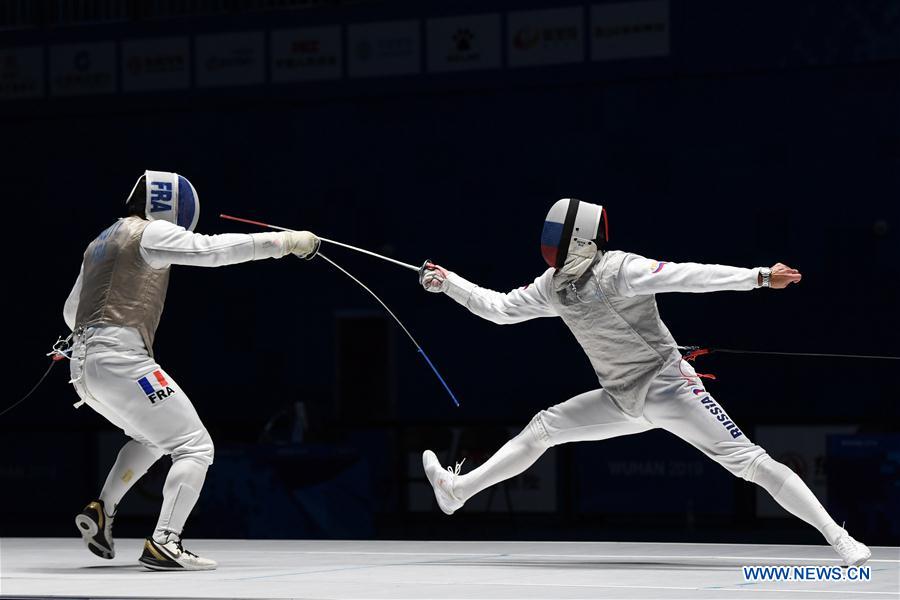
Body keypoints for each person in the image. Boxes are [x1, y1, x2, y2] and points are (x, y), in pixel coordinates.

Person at [418, 198, 871, 566]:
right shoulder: (552, 286)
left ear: (579, 239)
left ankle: (839, 538)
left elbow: (689, 276)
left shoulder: (621, 269)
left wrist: (757, 278)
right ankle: (456, 493)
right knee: (543, 428)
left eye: (557, 238)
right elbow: (498, 309)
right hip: (621, 399)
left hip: (671, 389)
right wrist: (449, 282)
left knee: (750, 463)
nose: (551, 247)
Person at [64, 170, 318, 571]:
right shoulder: (148, 233)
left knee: (152, 437)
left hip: (83, 368)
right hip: (121, 359)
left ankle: (102, 509)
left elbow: (69, 312)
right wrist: (284, 242)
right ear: (168, 206)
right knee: (195, 445)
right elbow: (210, 251)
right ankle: (165, 542)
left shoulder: (100, 242)